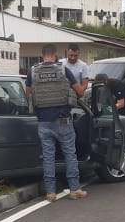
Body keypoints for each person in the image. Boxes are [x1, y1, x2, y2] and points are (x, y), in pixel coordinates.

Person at [26, 44, 87, 202]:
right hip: (63, 119)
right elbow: (80, 92)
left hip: (43, 121)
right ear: (55, 55)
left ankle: (51, 193)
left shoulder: (32, 72)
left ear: (42, 55)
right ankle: (74, 189)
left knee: (48, 157)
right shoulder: (63, 70)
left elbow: (28, 95)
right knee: (70, 154)